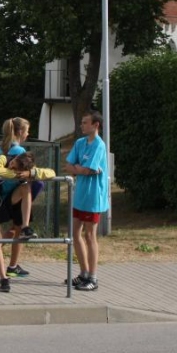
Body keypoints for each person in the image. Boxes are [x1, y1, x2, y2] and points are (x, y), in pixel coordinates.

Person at [0, 148, 55, 292]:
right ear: (16, 157)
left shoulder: (27, 169)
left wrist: (30, 174)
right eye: (14, 163)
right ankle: (3, 279)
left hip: (10, 200)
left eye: (16, 168)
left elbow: (51, 173)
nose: (12, 166)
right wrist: (16, 174)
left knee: (26, 187)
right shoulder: (4, 158)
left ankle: (25, 228)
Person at [0, 117, 45, 279]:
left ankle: (3, 259)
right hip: (13, 196)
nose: (28, 134)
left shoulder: (3, 148)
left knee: (14, 229)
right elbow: (32, 171)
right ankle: (10, 265)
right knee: (18, 228)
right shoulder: (19, 151)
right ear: (20, 132)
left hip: (4, 195)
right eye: (27, 131)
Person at [64, 110, 109, 291]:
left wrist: (81, 169)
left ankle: (93, 277)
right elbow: (69, 166)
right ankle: (83, 273)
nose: (82, 125)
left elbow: (89, 169)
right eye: (81, 122)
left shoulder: (99, 145)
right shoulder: (80, 143)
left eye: (85, 122)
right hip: (80, 195)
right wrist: (79, 168)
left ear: (95, 125)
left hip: (93, 196)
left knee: (90, 235)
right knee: (75, 233)